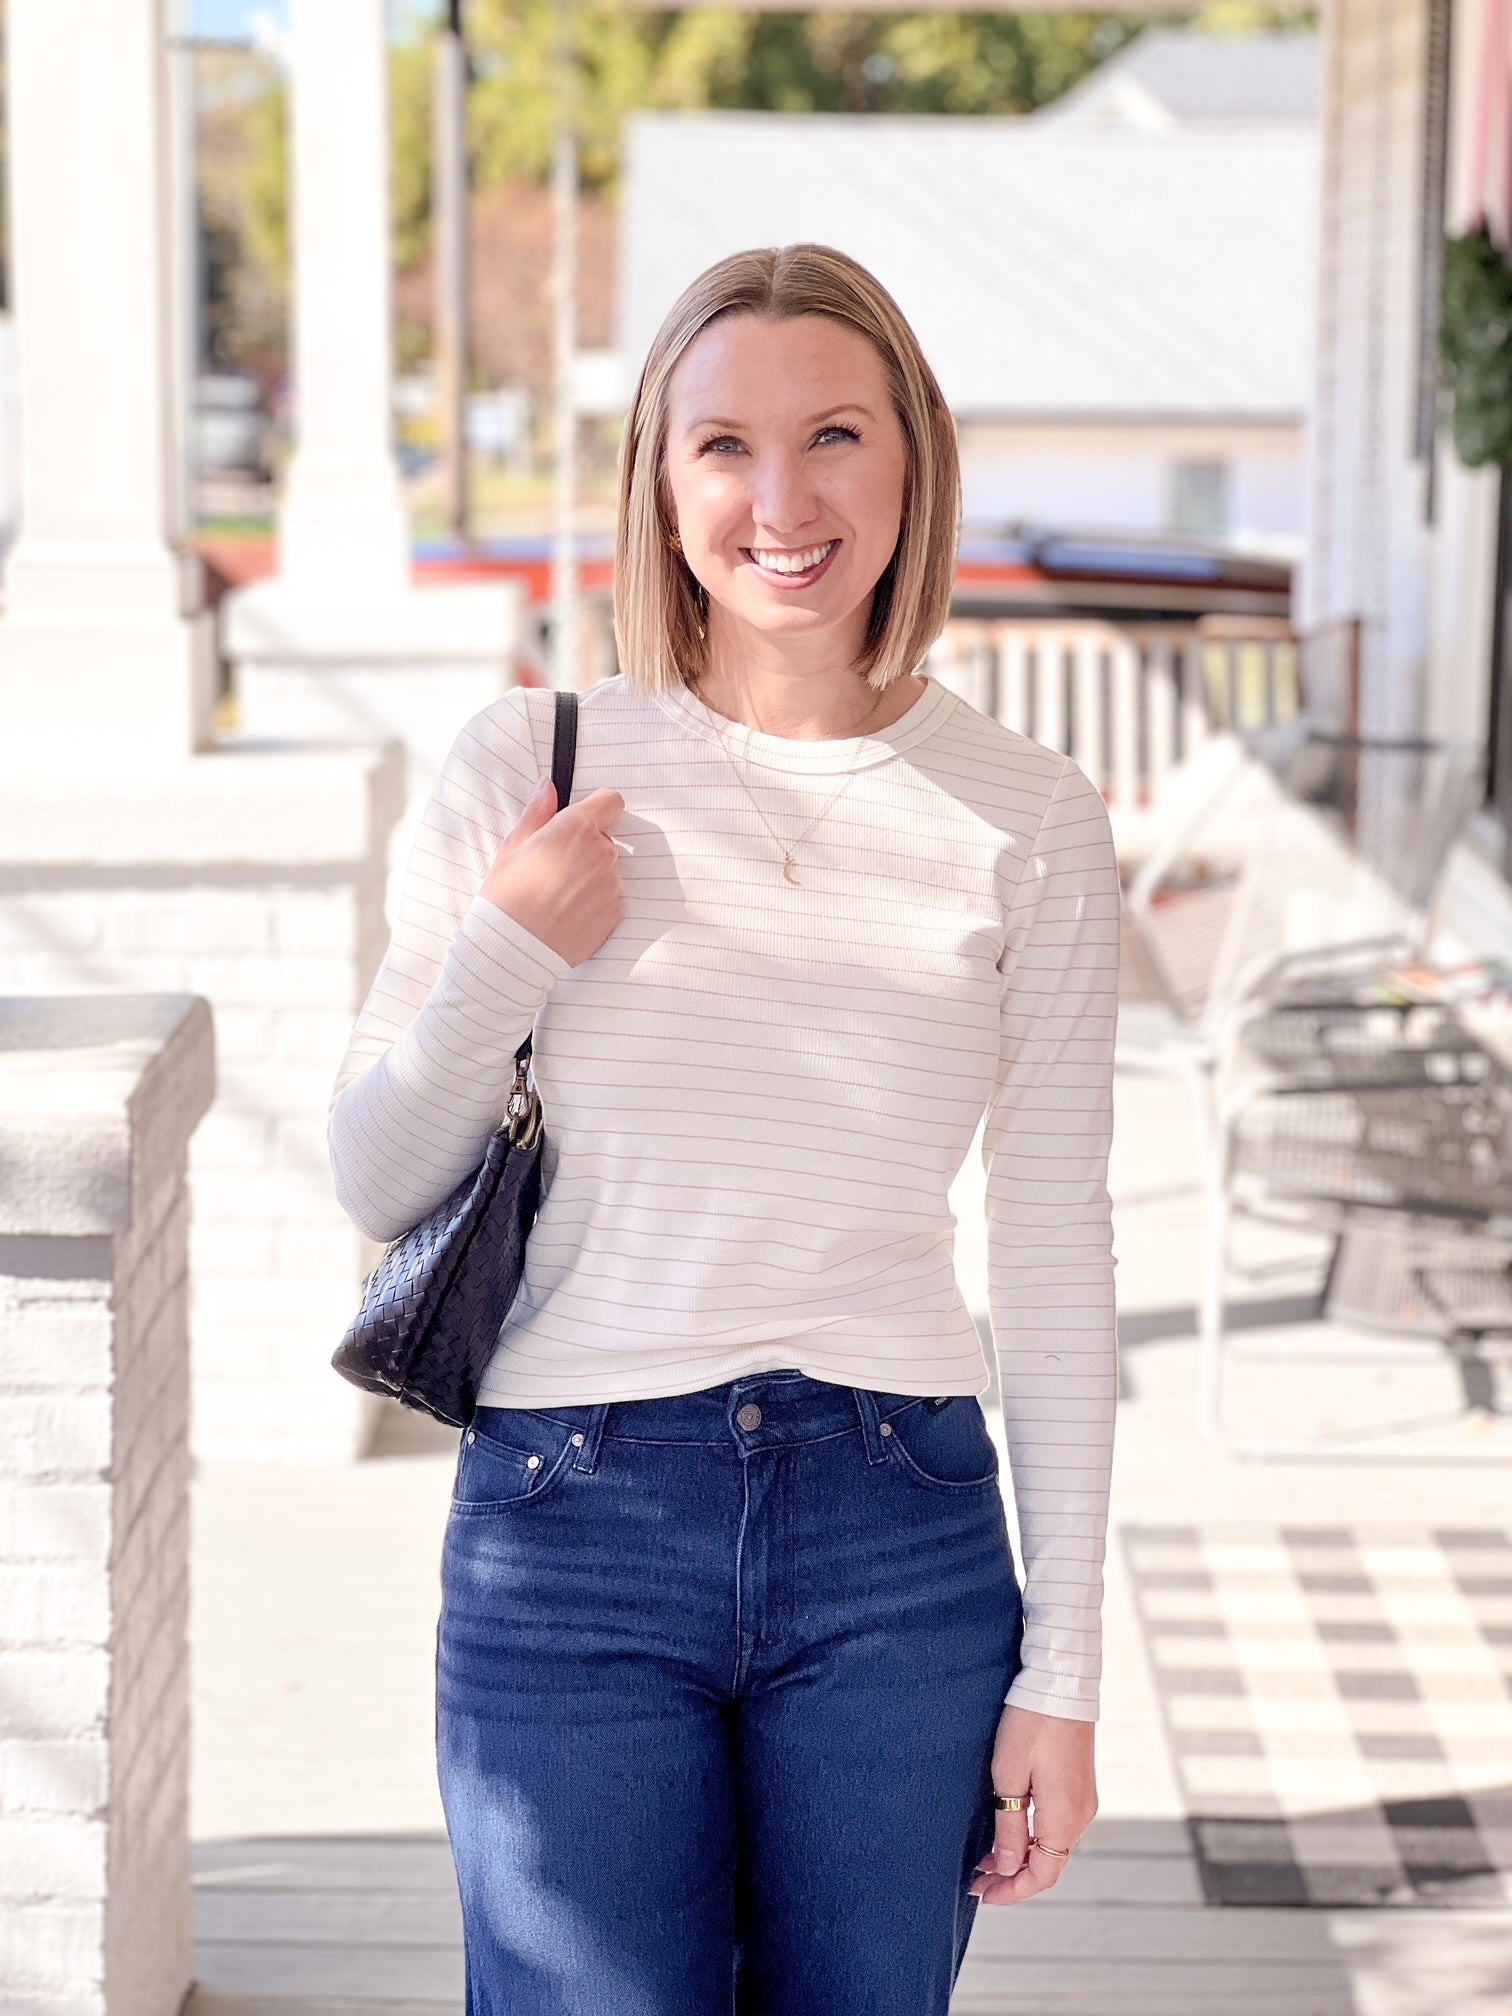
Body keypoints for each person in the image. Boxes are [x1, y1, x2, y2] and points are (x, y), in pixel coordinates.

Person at [327, 242, 1120, 2016]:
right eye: (722, 447)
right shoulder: (527, 762)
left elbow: (1057, 1239)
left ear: (912, 459)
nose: (782, 500)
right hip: (570, 1522)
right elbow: (372, 1178)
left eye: (836, 434)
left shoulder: (1029, 816)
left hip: (899, 1535)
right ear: (656, 479)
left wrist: (1062, 1666)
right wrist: (511, 945)